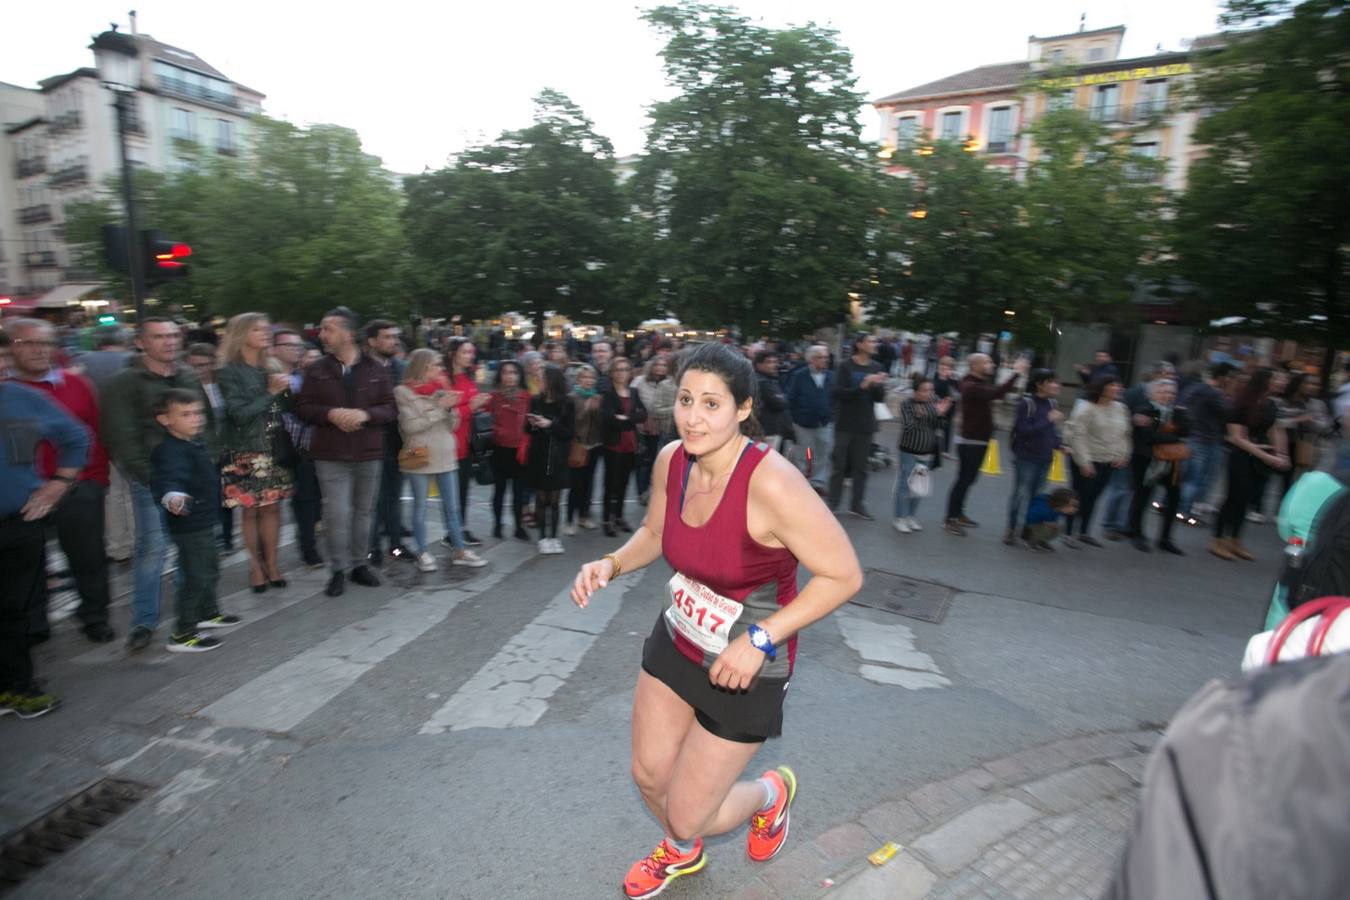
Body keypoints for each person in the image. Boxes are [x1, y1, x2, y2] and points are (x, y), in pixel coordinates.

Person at [569, 342, 862, 899]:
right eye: (685, 400)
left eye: (711, 404)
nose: (693, 418)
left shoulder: (771, 482)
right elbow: (656, 534)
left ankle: (769, 796)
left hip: (748, 663)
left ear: (743, 409)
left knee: (686, 812)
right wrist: (609, 563)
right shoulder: (672, 460)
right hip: (680, 637)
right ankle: (683, 851)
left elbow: (843, 575)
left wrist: (761, 637)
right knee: (650, 775)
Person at [101, 318, 215, 651]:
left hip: (193, 478)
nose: (168, 342)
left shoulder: (188, 377)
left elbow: (206, 423)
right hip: (151, 480)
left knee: (192, 551)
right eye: (159, 336)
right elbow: (120, 436)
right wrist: (155, 481)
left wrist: (208, 460)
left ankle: (189, 618)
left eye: (173, 335)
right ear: (141, 342)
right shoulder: (122, 383)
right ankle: (144, 622)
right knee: (153, 549)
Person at [7, 319, 115, 644]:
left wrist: (95, 479)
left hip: (79, 487)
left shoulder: (76, 384)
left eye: (46, 343)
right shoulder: (8, 392)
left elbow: (95, 433)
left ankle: (95, 616)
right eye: (27, 343)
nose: (40, 350)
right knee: (29, 565)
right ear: (10, 348)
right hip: (22, 495)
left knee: (88, 558)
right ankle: (35, 624)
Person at [0, 334, 88, 718]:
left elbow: (75, 437)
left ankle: (18, 687)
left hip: (18, 522)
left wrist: (59, 484)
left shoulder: (22, 397)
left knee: (15, 610)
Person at [296, 307, 396, 597]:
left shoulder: (376, 369)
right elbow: (302, 408)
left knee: (364, 512)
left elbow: (390, 407)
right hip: (330, 453)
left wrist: (365, 415)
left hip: (368, 451)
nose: (322, 334)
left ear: (349, 333)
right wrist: (331, 413)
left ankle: (358, 564)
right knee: (336, 513)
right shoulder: (316, 370)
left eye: (328, 329)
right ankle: (338, 569)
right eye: (322, 329)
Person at [150, 389, 242, 653]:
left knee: (210, 568)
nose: (195, 419)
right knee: (196, 576)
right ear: (164, 419)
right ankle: (183, 632)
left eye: (198, 413)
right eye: (185, 414)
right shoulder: (169, 450)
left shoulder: (192, 442)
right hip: (189, 524)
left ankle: (207, 612)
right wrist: (173, 497)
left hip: (204, 519)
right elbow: (168, 479)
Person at [216, 314, 295, 592]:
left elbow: (285, 409)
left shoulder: (270, 366)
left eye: (266, 329)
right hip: (245, 449)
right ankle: (255, 566)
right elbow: (238, 414)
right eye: (257, 329)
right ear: (240, 334)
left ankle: (272, 564)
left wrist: (285, 391)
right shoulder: (228, 372)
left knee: (273, 507)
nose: (265, 333)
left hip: (275, 447)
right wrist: (272, 392)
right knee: (250, 511)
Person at [394, 350, 486, 572]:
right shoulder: (403, 391)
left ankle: (460, 550)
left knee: (452, 507)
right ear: (424, 366)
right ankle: (422, 552)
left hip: (446, 453)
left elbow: (453, 425)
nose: (441, 370)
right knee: (420, 508)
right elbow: (410, 426)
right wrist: (440, 408)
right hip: (419, 455)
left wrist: (452, 407)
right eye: (437, 365)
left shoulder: (440, 390)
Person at [945, 353, 1029, 536]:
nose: (991, 364)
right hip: (970, 441)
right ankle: (950, 519)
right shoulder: (971, 386)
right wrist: (1016, 373)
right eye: (987, 362)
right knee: (963, 480)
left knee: (969, 480)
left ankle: (958, 514)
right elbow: (996, 393)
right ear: (975, 366)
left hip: (979, 440)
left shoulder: (976, 382)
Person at [1211, 368, 1290, 561]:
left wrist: (1282, 454)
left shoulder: (1270, 403)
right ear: (1264, 381)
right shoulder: (1242, 403)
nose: (1282, 383)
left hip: (1259, 458)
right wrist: (1267, 456)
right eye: (1277, 379)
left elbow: (1276, 430)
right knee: (1233, 498)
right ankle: (1218, 539)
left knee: (1246, 500)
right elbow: (1237, 438)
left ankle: (1235, 539)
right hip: (1241, 457)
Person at [274, 330, 324, 568]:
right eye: (289, 345)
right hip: (276, 449)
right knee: (272, 506)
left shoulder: (302, 377)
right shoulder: (268, 377)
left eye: (298, 346)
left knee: (306, 499)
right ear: (274, 348)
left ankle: (309, 547)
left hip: (305, 448)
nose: (296, 350)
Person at [1124, 379, 1190, 554]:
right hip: (1146, 460)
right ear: (1152, 394)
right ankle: (1136, 533)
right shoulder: (1145, 410)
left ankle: (1165, 538)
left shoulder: (1177, 412)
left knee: (1175, 498)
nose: (1168, 396)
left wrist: (1178, 425)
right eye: (1163, 392)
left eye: (1171, 393)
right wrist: (1175, 439)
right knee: (1142, 497)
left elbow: (1187, 430)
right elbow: (1149, 437)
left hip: (1170, 462)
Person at [1064, 376, 1132, 546]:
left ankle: (1084, 532)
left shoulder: (1121, 408)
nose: (1117, 388)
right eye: (1112, 385)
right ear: (1101, 388)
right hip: (1087, 458)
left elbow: (1125, 434)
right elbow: (1077, 436)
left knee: (1094, 496)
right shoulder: (1086, 408)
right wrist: (1084, 462)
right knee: (1078, 496)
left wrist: (1123, 455)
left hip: (1108, 460)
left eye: (1118, 384)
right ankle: (1068, 532)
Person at [364, 319, 411, 565]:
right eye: (387, 337)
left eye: (395, 337)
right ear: (372, 341)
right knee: (372, 500)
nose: (393, 341)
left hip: (398, 441)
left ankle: (396, 546)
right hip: (370, 442)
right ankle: (372, 549)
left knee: (394, 497)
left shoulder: (401, 367)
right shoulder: (360, 369)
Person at [828, 333, 887, 520]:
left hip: (865, 424)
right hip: (845, 423)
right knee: (839, 465)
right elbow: (838, 393)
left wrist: (878, 386)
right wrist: (862, 386)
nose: (874, 344)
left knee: (861, 467)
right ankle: (833, 503)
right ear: (860, 345)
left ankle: (857, 504)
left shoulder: (877, 366)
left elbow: (879, 399)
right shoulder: (846, 366)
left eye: (874, 341)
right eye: (870, 341)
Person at [1004, 369, 1063, 546]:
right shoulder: (1026, 403)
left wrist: (1059, 445)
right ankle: (1011, 529)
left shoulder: (1052, 403)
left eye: (1056, 382)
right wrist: (1048, 420)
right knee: (1020, 494)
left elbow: (1051, 433)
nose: (1056, 385)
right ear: (1040, 383)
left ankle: (1029, 531)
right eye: (1051, 382)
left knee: (1037, 496)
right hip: (1026, 457)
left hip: (1045, 457)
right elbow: (1023, 430)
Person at [186, 342, 235, 552]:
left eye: (204, 364)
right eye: (195, 365)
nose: (200, 370)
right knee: (209, 494)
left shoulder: (223, 384)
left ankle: (227, 538)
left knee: (227, 496)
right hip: (203, 449)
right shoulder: (188, 387)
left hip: (227, 446)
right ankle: (214, 537)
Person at [525, 364, 575, 554]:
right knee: (540, 498)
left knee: (554, 500)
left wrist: (550, 424)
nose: (539, 381)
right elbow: (527, 430)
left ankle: (554, 537)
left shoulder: (567, 404)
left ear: (552, 381)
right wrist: (533, 424)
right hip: (538, 454)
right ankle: (542, 537)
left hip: (558, 457)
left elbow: (569, 433)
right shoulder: (535, 400)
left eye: (542, 378)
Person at [1177, 362, 1235, 525]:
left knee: (1189, 476)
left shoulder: (1194, 388)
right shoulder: (1216, 394)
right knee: (1200, 479)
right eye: (1231, 378)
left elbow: (1182, 406)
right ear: (1223, 377)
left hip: (1193, 436)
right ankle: (1186, 511)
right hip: (1209, 439)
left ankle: (1177, 507)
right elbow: (1229, 414)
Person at [445, 337, 488, 547]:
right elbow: (443, 414)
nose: (470, 356)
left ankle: (459, 529)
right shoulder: (444, 379)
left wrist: (481, 406)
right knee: (450, 493)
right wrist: (470, 407)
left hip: (467, 443)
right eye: (465, 352)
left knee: (462, 490)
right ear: (453, 354)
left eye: (472, 352)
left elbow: (473, 406)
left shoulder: (469, 377)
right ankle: (453, 533)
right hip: (448, 445)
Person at [601, 356, 648, 537]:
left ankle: (619, 517)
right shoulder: (608, 394)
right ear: (612, 373)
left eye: (625, 369)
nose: (622, 373)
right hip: (613, 445)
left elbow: (643, 415)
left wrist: (626, 418)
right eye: (618, 369)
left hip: (631, 444)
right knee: (610, 484)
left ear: (630, 373)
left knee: (623, 483)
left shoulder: (634, 392)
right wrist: (628, 419)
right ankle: (606, 519)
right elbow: (609, 420)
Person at [893, 377, 946, 534]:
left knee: (919, 486)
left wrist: (941, 415)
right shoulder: (907, 404)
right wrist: (918, 416)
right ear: (915, 391)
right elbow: (908, 426)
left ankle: (910, 516)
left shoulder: (933, 403)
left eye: (930, 390)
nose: (928, 393)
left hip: (926, 451)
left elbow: (939, 426)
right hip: (908, 450)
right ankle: (900, 518)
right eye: (924, 390)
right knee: (904, 484)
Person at [487, 360, 531, 541]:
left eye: (514, 372)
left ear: (519, 376)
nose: (510, 376)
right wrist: (498, 432)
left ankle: (519, 526)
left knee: (520, 493)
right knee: (499, 490)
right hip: (500, 450)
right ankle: (497, 524)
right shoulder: (493, 397)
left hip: (521, 451)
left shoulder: (527, 397)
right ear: (500, 376)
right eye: (506, 372)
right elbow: (484, 421)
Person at [784, 345, 834, 491]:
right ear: (811, 359)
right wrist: (794, 417)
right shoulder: (799, 375)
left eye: (826, 357)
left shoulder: (831, 376)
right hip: (802, 422)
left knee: (823, 452)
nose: (825, 360)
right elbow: (790, 397)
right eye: (821, 357)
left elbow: (834, 397)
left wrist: (831, 414)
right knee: (803, 452)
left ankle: (818, 481)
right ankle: (800, 481)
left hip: (824, 422)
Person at [1277, 372, 1331, 496]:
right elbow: (1278, 423)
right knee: (1284, 485)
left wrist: (1311, 421)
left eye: (1316, 384)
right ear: (1298, 384)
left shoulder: (1318, 404)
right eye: (1309, 383)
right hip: (1286, 448)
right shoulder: (1286, 402)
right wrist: (1299, 420)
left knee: (1302, 486)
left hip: (1307, 449)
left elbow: (1326, 427)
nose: (1313, 387)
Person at [566, 364, 604, 535]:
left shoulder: (597, 397)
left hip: (594, 444)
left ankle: (584, 516)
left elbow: (601, 423)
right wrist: (586, 410)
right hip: (577, 445)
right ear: (578, 379)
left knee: (589, 483)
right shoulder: (572, 398)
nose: (588, 381)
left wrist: (597, 412)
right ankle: (568, 520)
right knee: (575, 484)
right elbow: (571, 423)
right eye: (585, 377)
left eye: (591, 378)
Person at [633, 355, 676, 505]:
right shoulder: (641, 382)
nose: (660, 368)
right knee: (643, 461)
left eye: (664, 365)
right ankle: (641, 491)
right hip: (644, 426)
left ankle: (651, 491)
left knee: (655, 461)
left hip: (662, 427)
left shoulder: (671, 383)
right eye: (657, 365)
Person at [751, 350, 792, 453]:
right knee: (765, 461)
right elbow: (780, 403)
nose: (774, 365)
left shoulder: (768, 380)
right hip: (768, 430)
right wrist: (783, 398)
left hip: (766, 429)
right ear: (759, 365)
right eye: (769, 362)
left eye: (775, 362)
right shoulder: (763, 382)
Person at [930, 356, 960, 467]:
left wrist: (950, 380)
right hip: (936, 406)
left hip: (949, 407)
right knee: (933, 426)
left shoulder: (954, 379)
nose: (944, 369)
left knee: (947, 428)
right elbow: (932, 390)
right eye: (942, 366)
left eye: (947, 367)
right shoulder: (936, 375)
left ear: (951, 368)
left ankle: (945, 451)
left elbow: (956, 394)